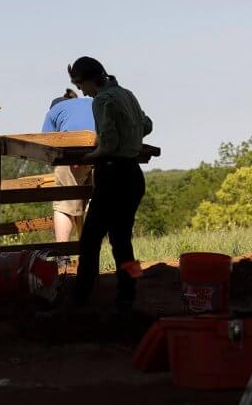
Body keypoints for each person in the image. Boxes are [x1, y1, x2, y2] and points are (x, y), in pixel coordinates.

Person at [67, 56, 153, 312]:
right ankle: (129, 293)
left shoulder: (102, 100)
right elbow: (146, 124)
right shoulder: (126, 94)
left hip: (112, 175)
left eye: (80, 84)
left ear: (92, 79)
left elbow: (109, 145)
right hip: (133, 175)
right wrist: (131, 135)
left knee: (90, 240)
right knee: (122, 240)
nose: (81, 90)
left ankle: (80, 298)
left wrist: (86, 157)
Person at [42, 88, 96, 244]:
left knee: (64, 205)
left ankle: (63, 255)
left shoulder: (54, 111)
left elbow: (46, 145)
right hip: (103, 153)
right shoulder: (91, 102)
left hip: (71, 155)